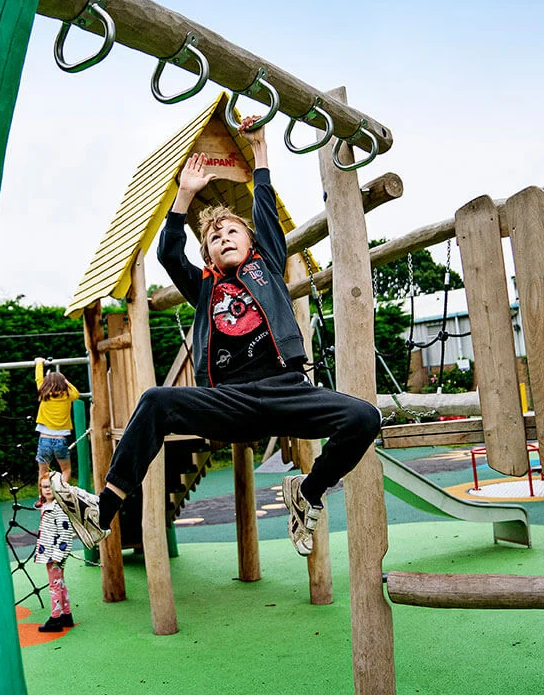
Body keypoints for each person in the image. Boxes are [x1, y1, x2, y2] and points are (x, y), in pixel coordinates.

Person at [51, 116, 381, 557]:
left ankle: (309, 493)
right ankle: (101, 513)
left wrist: (260, 150)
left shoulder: (267, 266)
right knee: (154, 401)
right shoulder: (204, 286)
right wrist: (184, 193)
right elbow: (169, 252)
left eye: (232, 232)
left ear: (252, 243)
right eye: (214, 237)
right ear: (206, 254)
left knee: (364, 418)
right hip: (230, 401)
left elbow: (263, 208)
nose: (223, 237)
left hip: (285, 390)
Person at [34, 476, 75, 632]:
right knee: (60, 583)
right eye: (44, 487)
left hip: (55, 553)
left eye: (50, 486)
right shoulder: (47, 505)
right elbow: (38, 504)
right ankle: (66, 614)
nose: (48, 490)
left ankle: (55, 618)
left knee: (54, 585)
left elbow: (65, 532)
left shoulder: (58, 508)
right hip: (50, 552)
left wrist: (58, 553)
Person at [34, 357, 79, 485]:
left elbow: (38, 379)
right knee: (66, 470)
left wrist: (39, 363)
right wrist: (65, 381)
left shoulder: (44, 394)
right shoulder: (67, 396)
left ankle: (42, 499)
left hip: (44, 440)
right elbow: (76, 393)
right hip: (60, 440)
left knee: (42, 473)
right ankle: (60, 494)